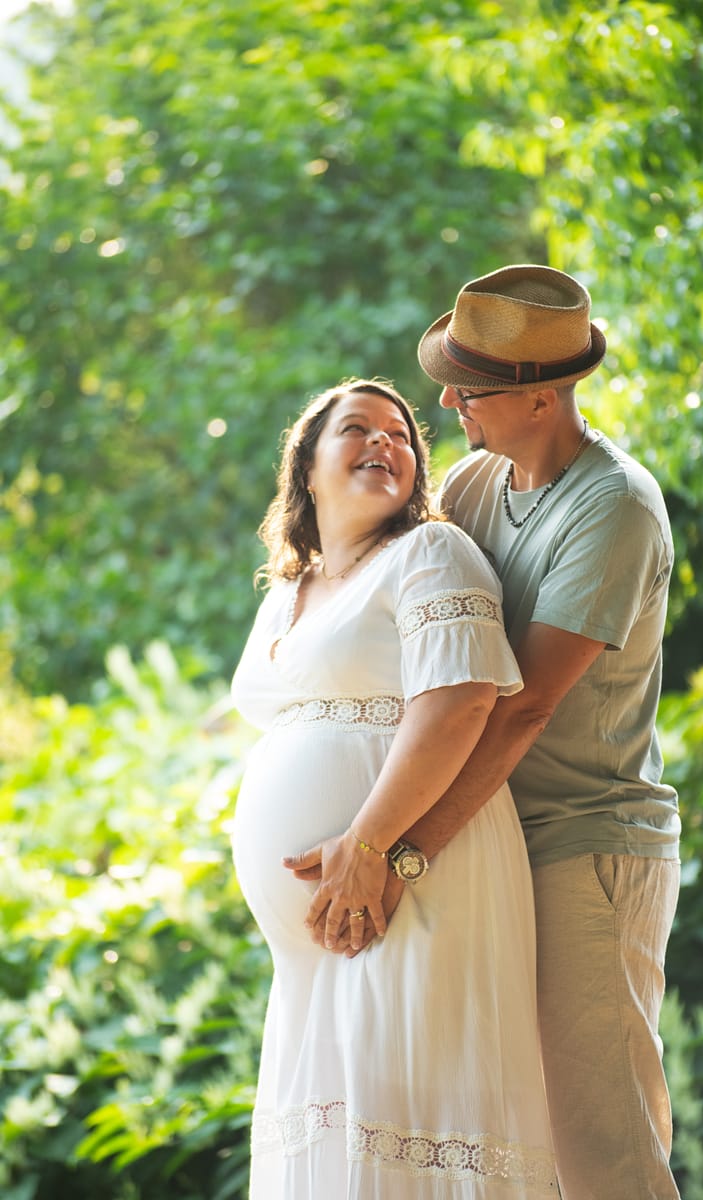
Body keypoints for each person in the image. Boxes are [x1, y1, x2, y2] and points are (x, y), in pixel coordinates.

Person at [292, 268, 682, 1200]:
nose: (447, 400)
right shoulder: (475, 484)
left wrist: (394, 851)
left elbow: (522, 708)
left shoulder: (613, 508)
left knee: (601, 1141)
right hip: (491, 849)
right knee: (510, 1135)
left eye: (471, 387)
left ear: (542, 398)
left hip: (581, 843)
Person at [230, 378, 560, 1198]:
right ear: (306, 465)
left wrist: (370, 845)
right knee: (341, 1144)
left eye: (401, 434)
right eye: (358, 430)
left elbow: (462, 703)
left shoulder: (430, 553)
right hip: (311, 948)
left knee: (407, 1130)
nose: (385, 443)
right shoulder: (285, 593)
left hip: (413, 875)